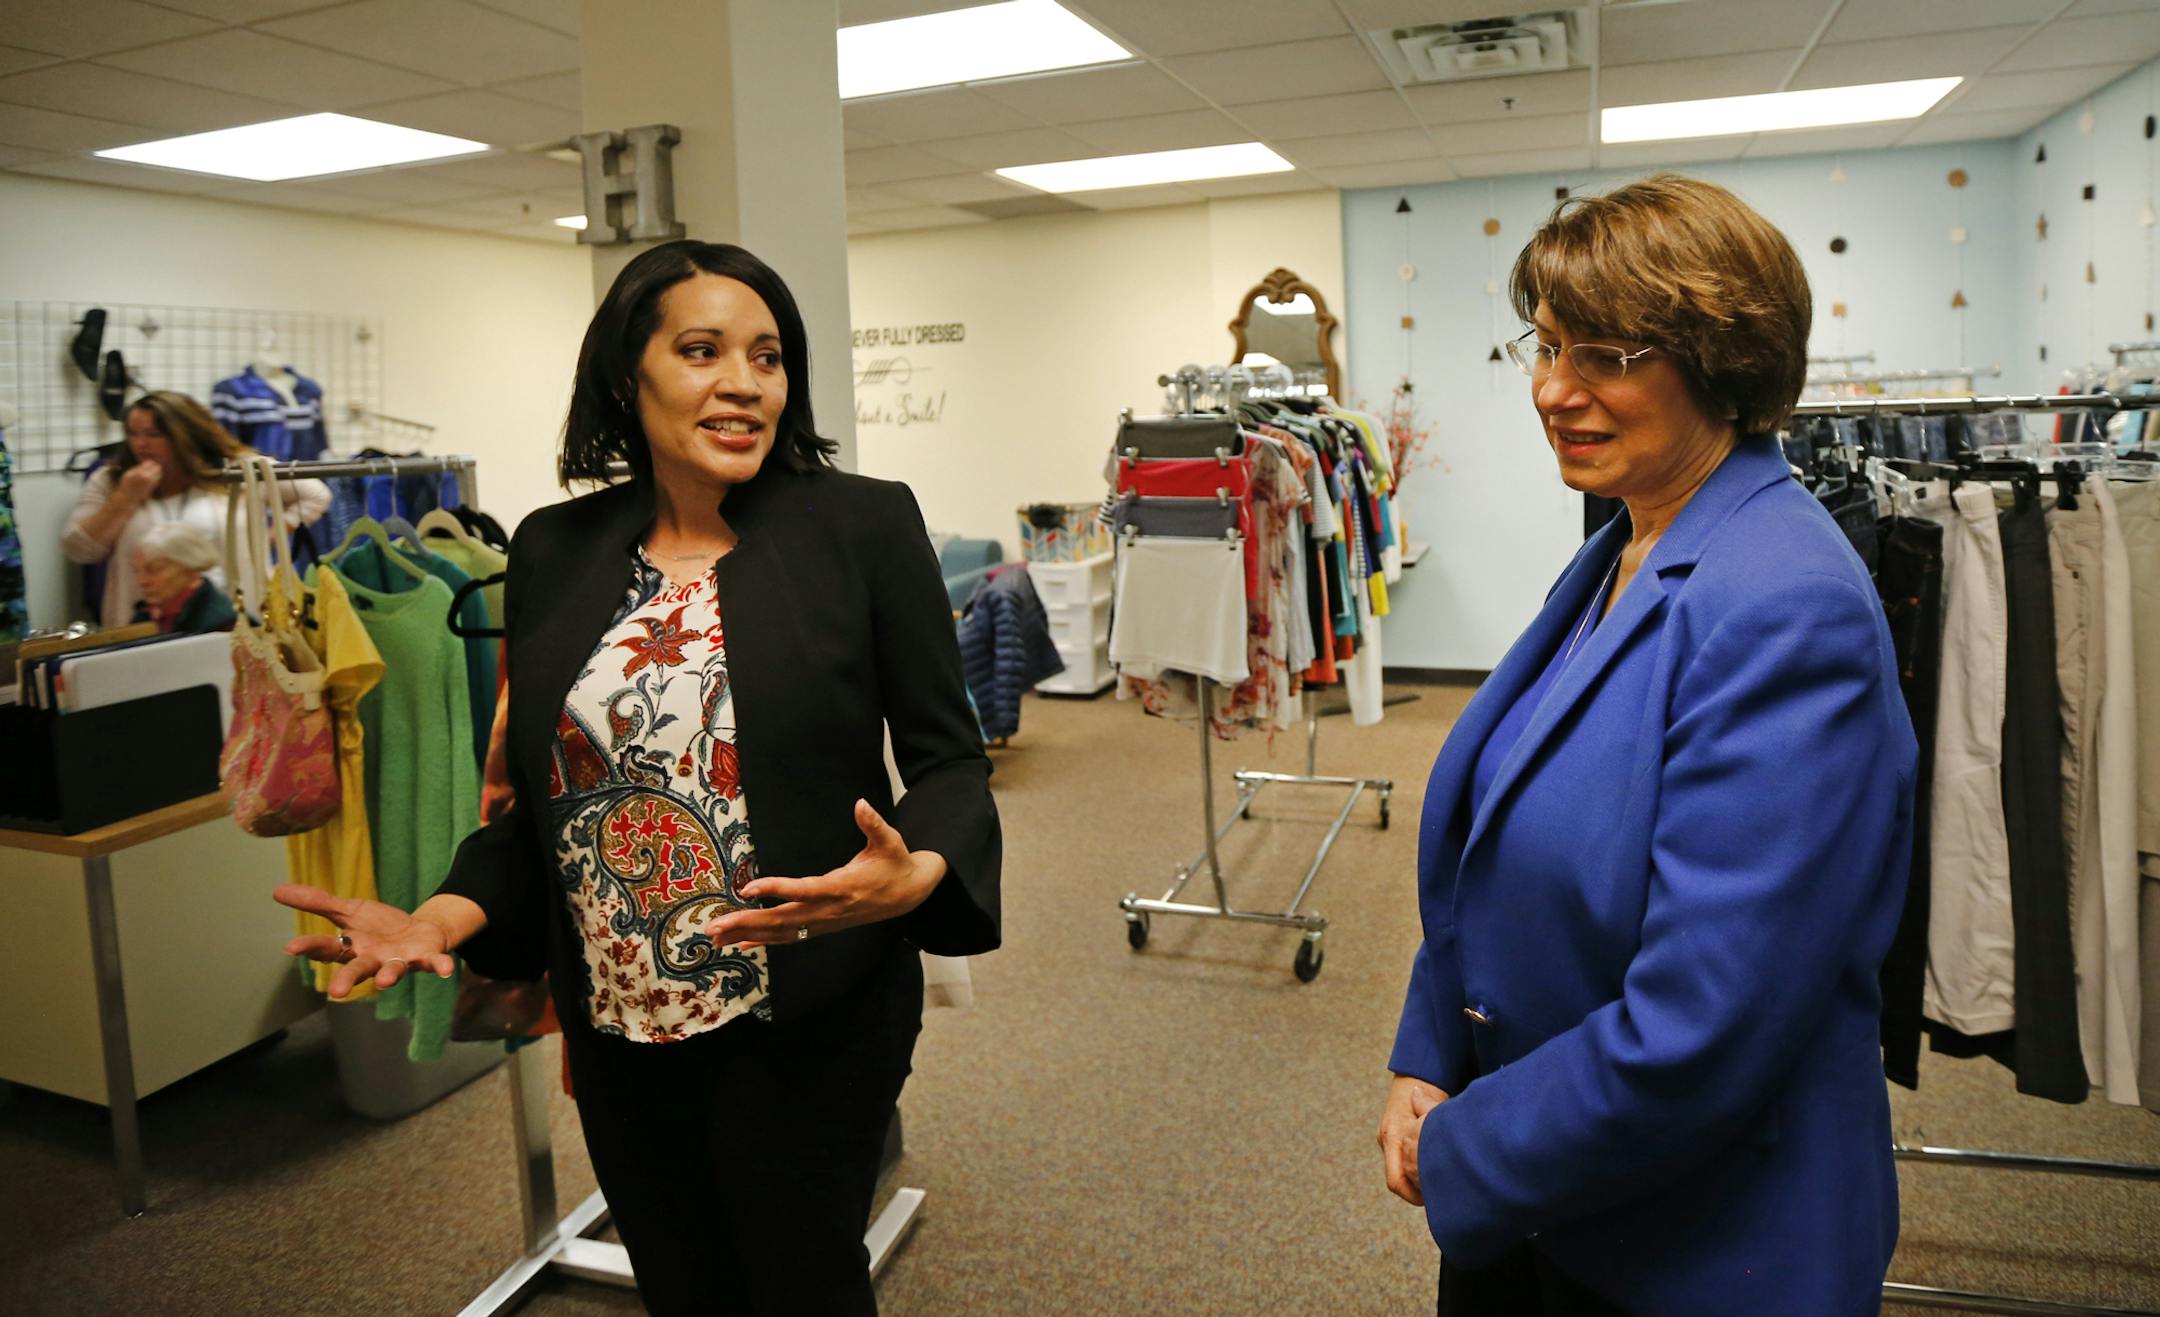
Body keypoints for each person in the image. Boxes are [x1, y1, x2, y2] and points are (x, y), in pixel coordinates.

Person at [274, 240, 1001, 1316]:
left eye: (767, 356)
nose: (744, 382)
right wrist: (439, 916)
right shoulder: (555, 548)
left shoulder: (862, 525)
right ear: (629, 374)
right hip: (620, 1022)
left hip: (809, 1015)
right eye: (702, 351)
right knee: (682, 1284)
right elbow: (550, 810)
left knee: (801, 1284)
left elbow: (949, 756)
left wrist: (923, 868)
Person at [1376, 174, 1916, 1315]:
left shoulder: (1785, 603)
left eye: (1606, 356)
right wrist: (1432, 1050)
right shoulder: (1628, 543)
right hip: (1552, 1189)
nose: (1551, 389)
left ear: (1724, 360)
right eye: (1545, 346)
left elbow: (1706, 1019)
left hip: (1696, 1244)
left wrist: (1468, 1144)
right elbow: (1499, 842)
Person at [60, 390, 328, 627]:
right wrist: (126, 497)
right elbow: (78, 549)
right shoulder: (111, 480)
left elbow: (315, 495)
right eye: (133, 433)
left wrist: (265, 539)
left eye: (153, 434)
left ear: (184, 434)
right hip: (144, 625)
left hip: (238, 622)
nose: (140, 444)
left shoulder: (239, 469)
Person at [129, 522, 235, 633]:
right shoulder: (145, 616)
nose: (141, 581)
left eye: (155, 569)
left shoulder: (223, 624)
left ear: (192, 568)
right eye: (136, 571)